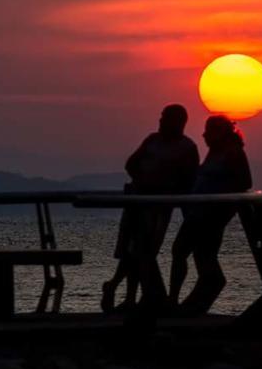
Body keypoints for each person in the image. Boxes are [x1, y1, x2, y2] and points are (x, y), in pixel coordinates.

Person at [101, 104, 199, 313]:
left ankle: (124, 292)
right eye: (161, 117)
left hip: (161, 206)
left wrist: (169, 190)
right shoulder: (152, 140)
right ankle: (126, 295)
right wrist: (142, 181)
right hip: (138, 200)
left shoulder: (187, 148)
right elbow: (131, 163)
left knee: (146, 252)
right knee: (132, 249)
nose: (160, 121)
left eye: (165, 118)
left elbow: (190, 180)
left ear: (178, 122)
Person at [169, 114, 252, 315]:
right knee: (193, 253)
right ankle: (180, 301)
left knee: (189, 251)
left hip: (211, 213)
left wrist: (220, 205)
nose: (204, 134)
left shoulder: (233, 152)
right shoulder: (214, 152)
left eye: (208, 130)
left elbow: (244, 182)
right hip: (198, 211)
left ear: (219, 133)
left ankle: (178, 301)